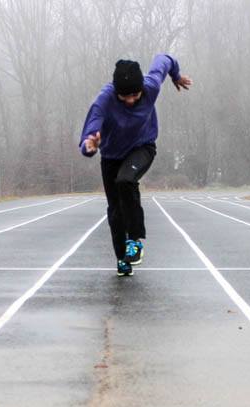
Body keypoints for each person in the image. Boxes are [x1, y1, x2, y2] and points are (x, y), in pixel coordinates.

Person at [79, 54, 192, 276]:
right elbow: (91, 129)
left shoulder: (151, 86)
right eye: (124, 97)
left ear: (142, 88)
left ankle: (136, 241)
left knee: (126, 180)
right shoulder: (105, 99)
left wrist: (176, 76)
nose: (130, 101)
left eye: (135, 95)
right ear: (116, 91)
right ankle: (122, 258)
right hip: (111, 156)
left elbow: (164, 59)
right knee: (115, 210)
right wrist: (89, 145)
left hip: (142, 147)